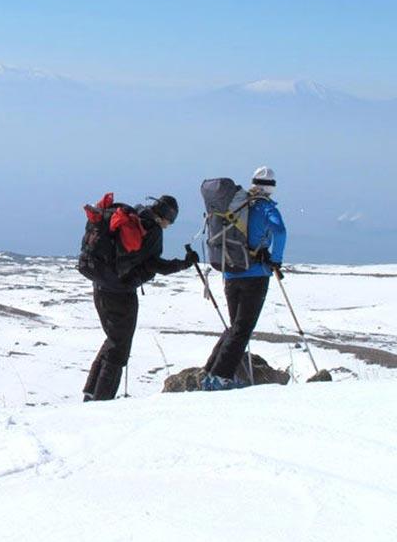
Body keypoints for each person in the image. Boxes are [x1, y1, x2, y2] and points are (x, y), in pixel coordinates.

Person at [83, 195, 197, 401]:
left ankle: (91, 393)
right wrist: (183, 264)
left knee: (113, 340)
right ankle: (101, 400)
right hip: (120, 292)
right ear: (166, 217)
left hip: (100, 285)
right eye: (171, 222)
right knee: (119, 347)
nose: (169, 226)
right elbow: (154, 265)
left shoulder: (133, 215)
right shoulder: (151, 229)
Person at [202, 167, 286, 390]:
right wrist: (276, 260)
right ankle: (220, 377)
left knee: (235, 328)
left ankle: (209, 372)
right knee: (242, 329)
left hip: (230, 271)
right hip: (255, 273)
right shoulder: (264, 207)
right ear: (272, 187)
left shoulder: (239, 204)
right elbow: (279, 231)